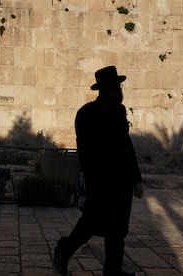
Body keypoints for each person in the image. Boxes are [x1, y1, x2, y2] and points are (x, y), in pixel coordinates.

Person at [53, 65, 144, 276]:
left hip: (96, 179)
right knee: (116, 228)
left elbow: (83, 150)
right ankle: (72, 252)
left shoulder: (84, 113)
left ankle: (105, 266)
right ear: (116, 88)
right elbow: (124, 147)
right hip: (117, 180)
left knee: (93, 222)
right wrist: (136, 179)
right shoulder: (116, 110)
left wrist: (87, 175)